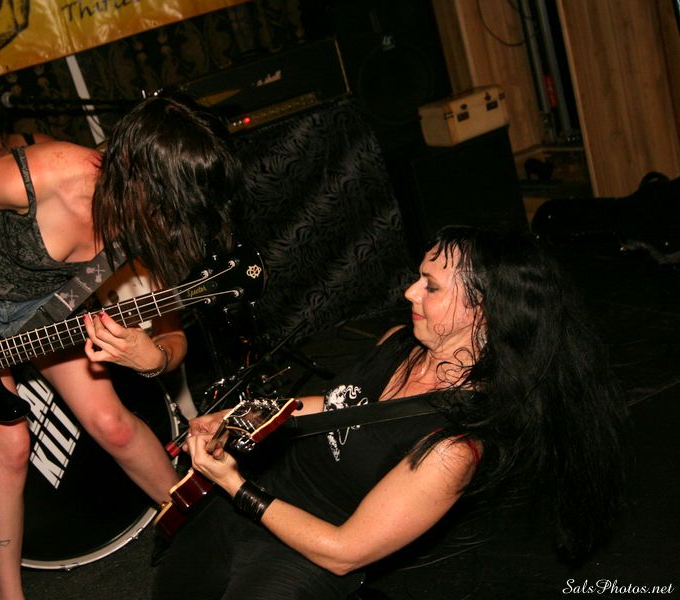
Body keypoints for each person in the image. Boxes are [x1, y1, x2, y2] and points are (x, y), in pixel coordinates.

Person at [153, 225, 627, 600]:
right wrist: (239, 414)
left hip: (307, 552)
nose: (410, 293)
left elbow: (344, 552)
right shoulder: (400, 344)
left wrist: (236, 485)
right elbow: (337, 404)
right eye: (419, 277)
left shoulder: (454, 448)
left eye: (431, 286)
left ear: (481, 310)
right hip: (261, 493)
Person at [0, 92, 240, 600]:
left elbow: (173, 332)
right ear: (139, 173)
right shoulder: (48, 173)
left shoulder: (156, 219)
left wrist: (154, 358)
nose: (172, 218)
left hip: (38, 306)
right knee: (11, 445)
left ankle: (199, 525)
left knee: (112, 423)